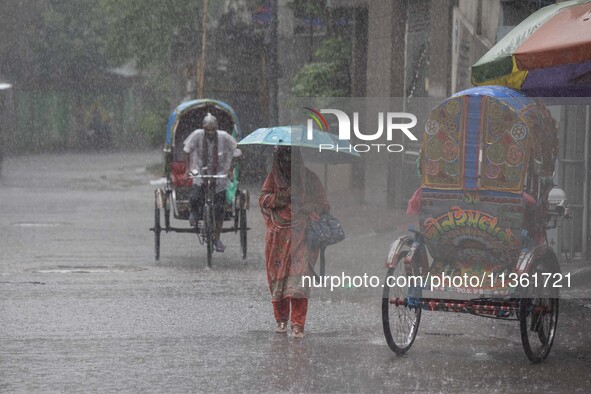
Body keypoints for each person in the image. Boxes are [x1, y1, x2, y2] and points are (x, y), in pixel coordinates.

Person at [259, 146, 330, 337]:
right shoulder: (273, 179)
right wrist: (281, 197)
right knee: (278, 280)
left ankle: (298, 324)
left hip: (303, 235)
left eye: (292, 159)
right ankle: (281, 319)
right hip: (278, 237)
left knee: (300, 280)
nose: (288, 164)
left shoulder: (310, 179)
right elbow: (263, 200)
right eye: (284, 159)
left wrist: (308, 207)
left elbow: (324, 205)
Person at [183, 113, 241, 252]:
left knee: (220, 208)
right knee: (196, 196)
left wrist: (231, 169)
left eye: (212, 129)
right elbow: (186, 150)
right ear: (203, 128)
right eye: (207, 130)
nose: (210, 132)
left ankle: (216, 237)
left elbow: (237, 151)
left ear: (217, 128)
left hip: (219, 173)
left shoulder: (224, 136)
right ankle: (194, 213)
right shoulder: (197, 135)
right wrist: (187, 169)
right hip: (200, 171)